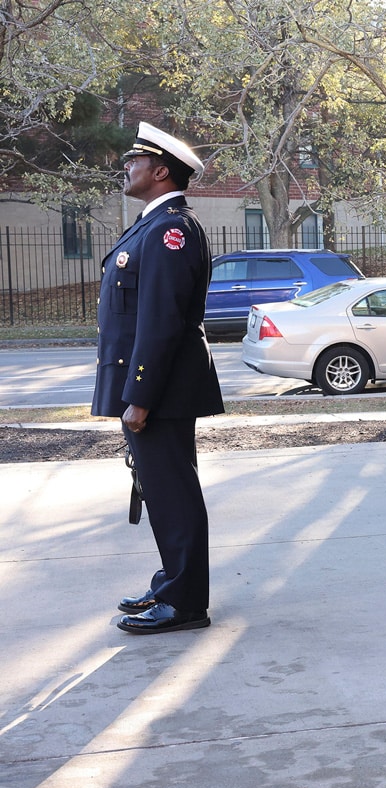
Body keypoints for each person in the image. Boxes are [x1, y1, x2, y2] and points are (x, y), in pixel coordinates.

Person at [98, 122, 224, 635]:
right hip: (152, 387)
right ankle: (172, 582)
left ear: (161, 171)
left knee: (173, 493)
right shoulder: (151, 225)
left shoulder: (172, 230)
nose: (126, 167)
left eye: (135, 160)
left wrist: (141, 396)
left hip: (161, 390)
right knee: (162, 490)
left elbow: (162, 320)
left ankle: (185, 603)